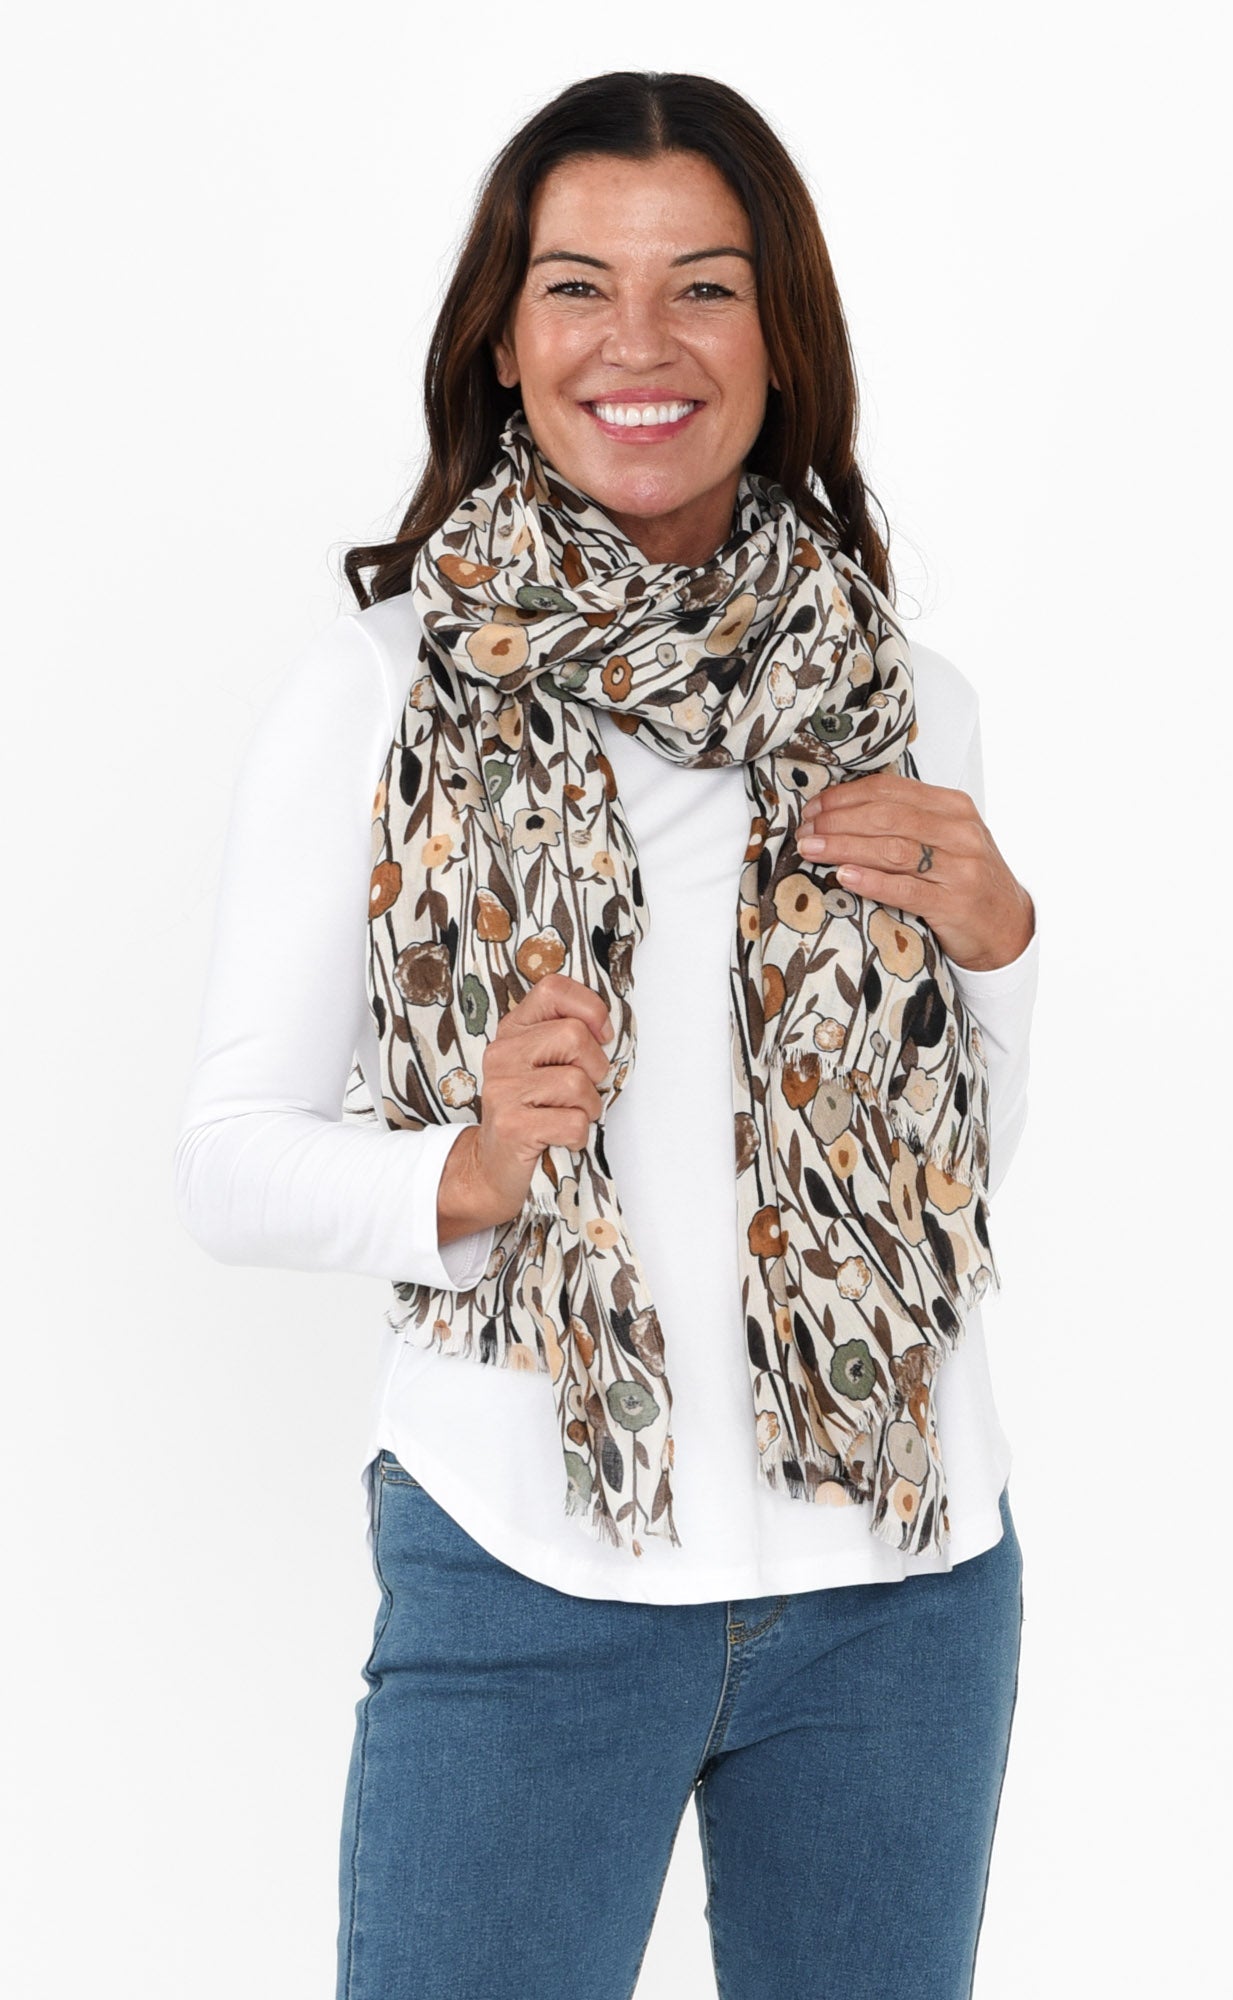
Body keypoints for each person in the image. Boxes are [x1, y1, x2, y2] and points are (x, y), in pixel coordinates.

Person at [174, 69, 1039, 2000]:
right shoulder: (381, 691)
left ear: (780, 335)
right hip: (528, 1571)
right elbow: (228, 1160)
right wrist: (471, 1166)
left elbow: (959, 1168)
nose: (638, 344)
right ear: (504, 336)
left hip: (901, 1591)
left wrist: (1000, 950)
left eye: (703, 287)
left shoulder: (905, 697)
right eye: (579, 286)